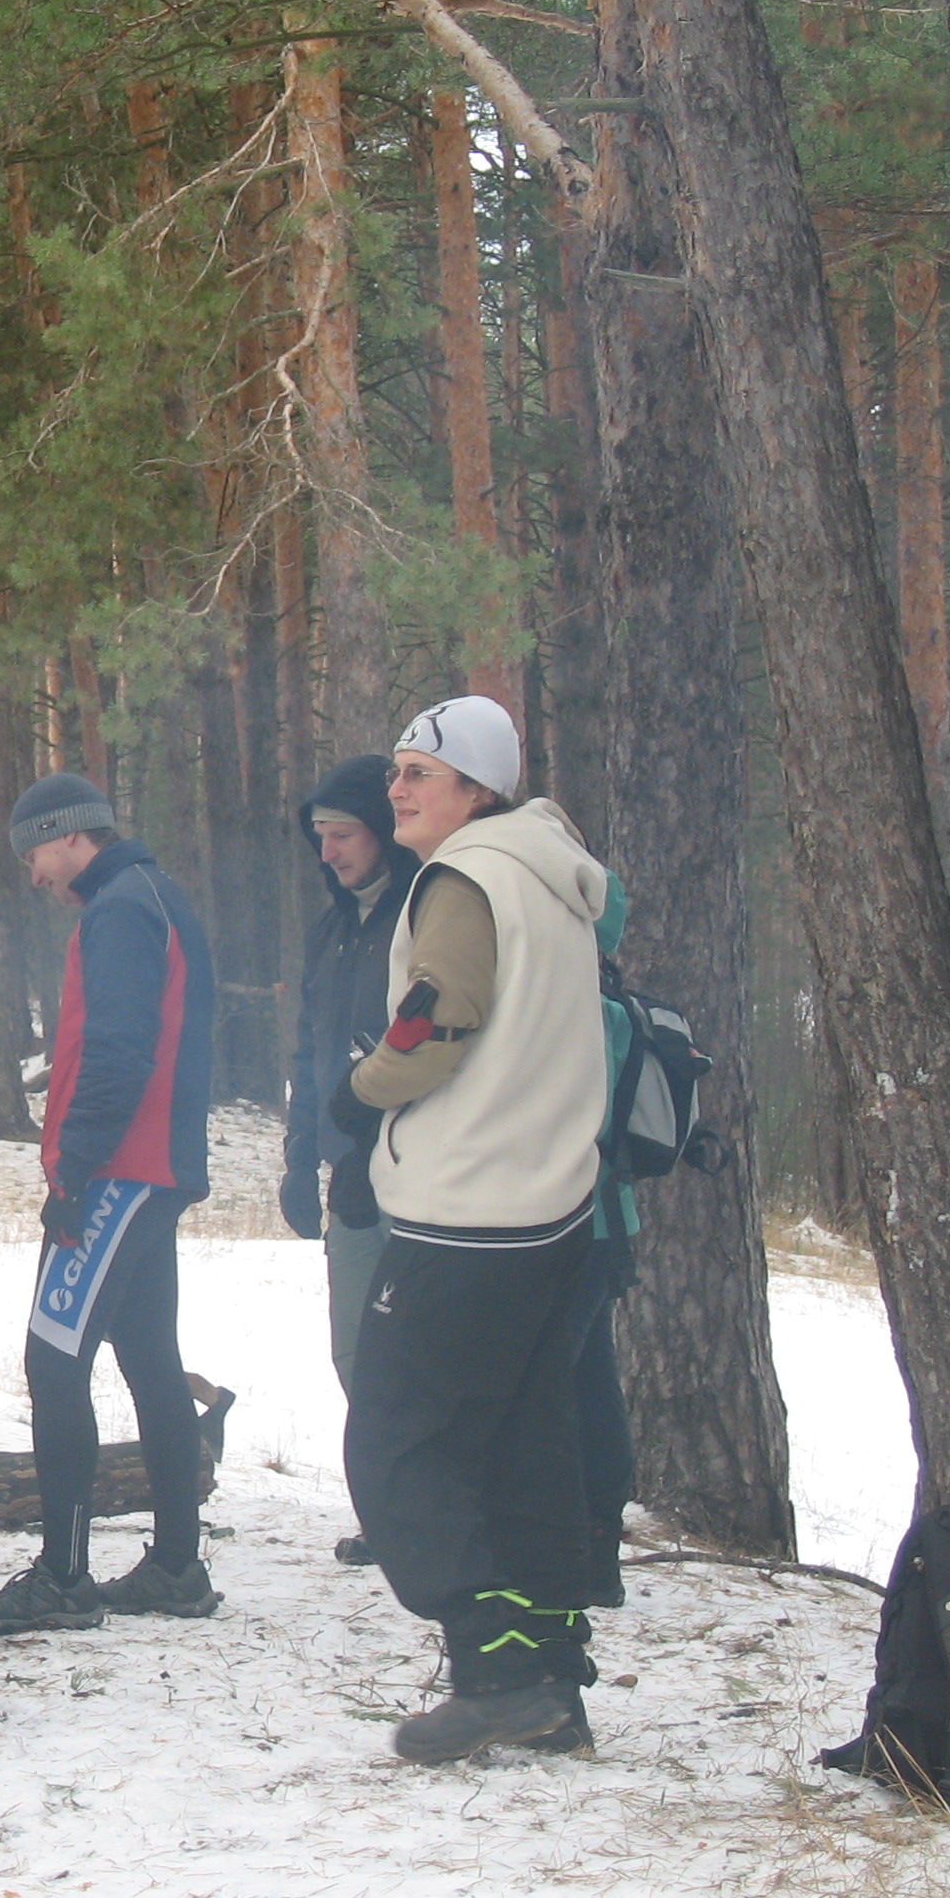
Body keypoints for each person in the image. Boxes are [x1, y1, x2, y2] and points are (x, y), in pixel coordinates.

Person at [331, 695, 620, 1763]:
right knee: (525, 1446)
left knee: (396, 1440)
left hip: (466, 1216)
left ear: (478, 789)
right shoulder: (553, 879)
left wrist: (360, 1097)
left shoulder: (468, 877)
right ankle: (550, 1677)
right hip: (554, 1209)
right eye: (397, 770)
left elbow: (433, 1018)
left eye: (421, 773)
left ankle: (494, 1670)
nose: (398, 789)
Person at [0, 775, 220, 1636]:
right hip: (150, 1166)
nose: (34, 875)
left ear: (69, 835)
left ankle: (64, 1576)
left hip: (120, 1170)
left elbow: (120, 1051)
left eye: (35, 854)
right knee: (150, 1358)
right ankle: (176, 1567)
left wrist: (74, 1175)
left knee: (54, 1362)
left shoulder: (120, 910)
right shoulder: (152, 895)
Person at [282, 753, 422, 1564]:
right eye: (320, 837)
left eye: (342, 835)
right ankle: (392, 1508)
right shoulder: (331, 930)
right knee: (355, 1348)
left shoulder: (421, 915)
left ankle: (438, 1506)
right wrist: (300, 1158)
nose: (328, 852)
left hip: (419, 1167)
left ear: (382, 831)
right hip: (348, 1172)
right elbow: (310, 1049)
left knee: (419, 1347)